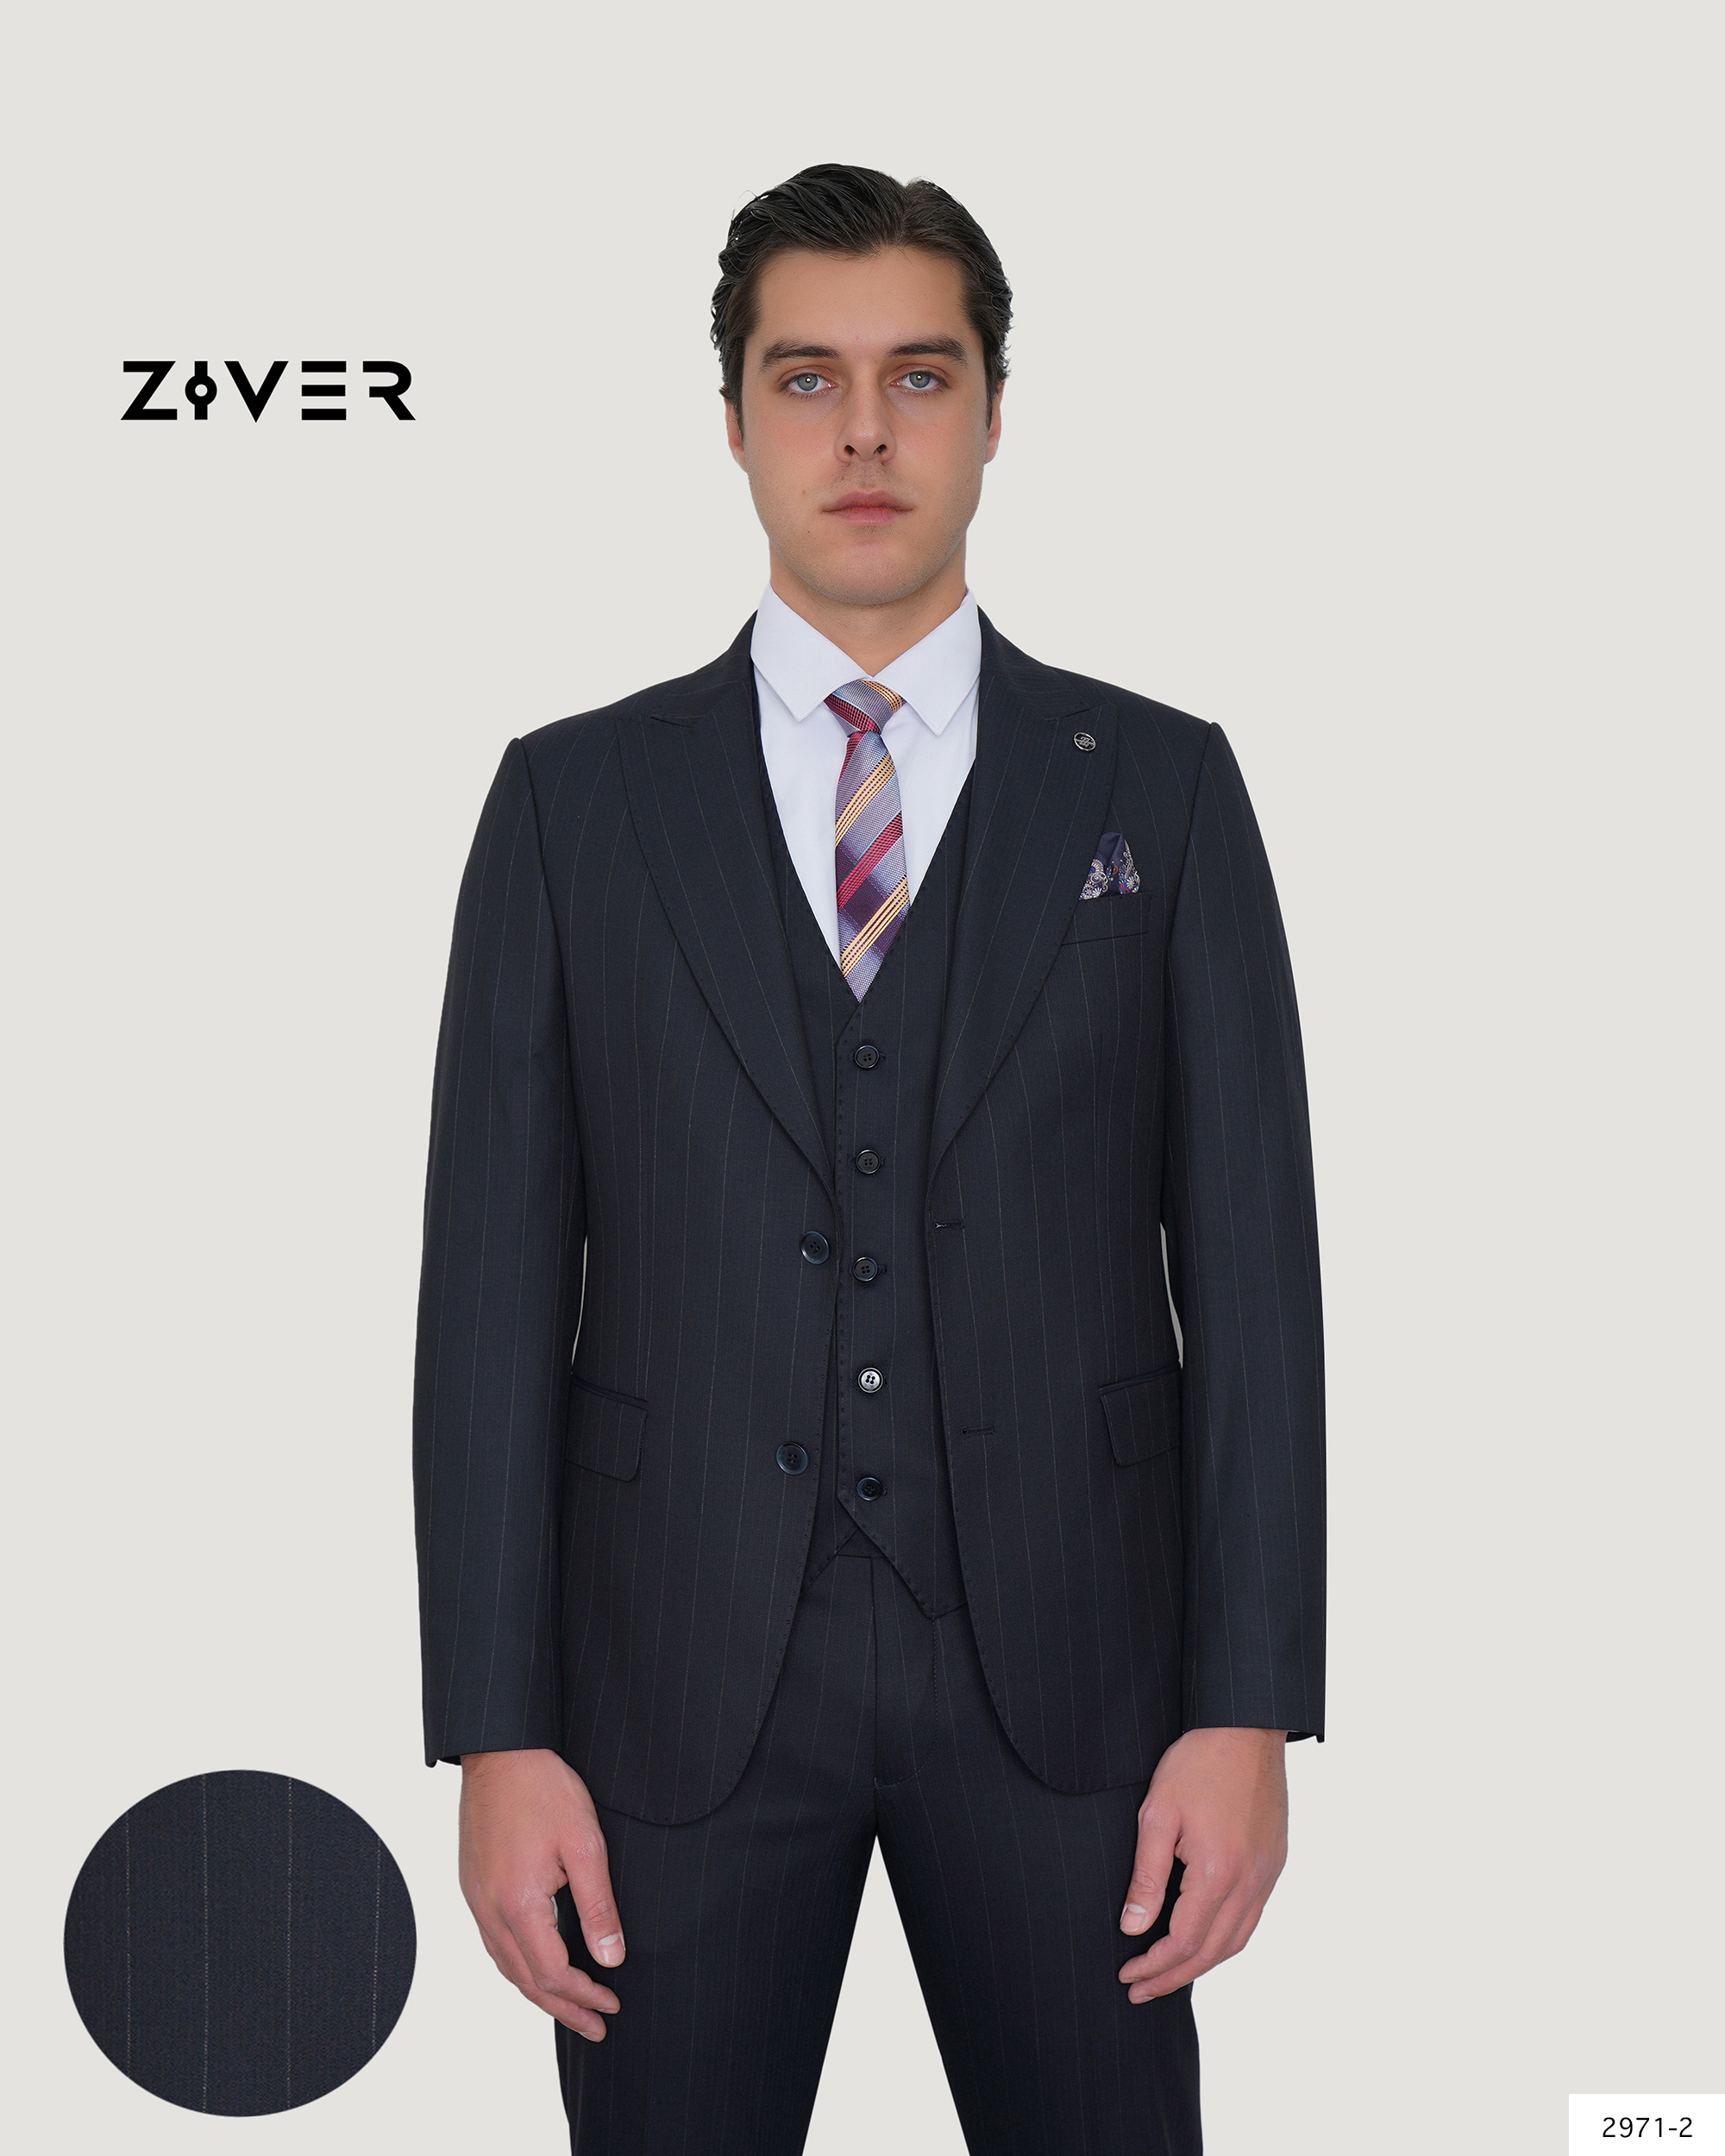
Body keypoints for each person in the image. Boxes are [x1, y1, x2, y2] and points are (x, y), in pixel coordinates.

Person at [412, 162, 1325, 2155]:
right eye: (804, 377)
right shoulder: (572, 800)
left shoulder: (1161, 782)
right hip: (669, 1686)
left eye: (918, 375)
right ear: (734, 418)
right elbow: (486, 1291)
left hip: (1081, 1678)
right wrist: (494, 1728)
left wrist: (1248, 1699)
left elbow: (1253, 1270)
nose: (863, 433)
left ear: (993, 411)